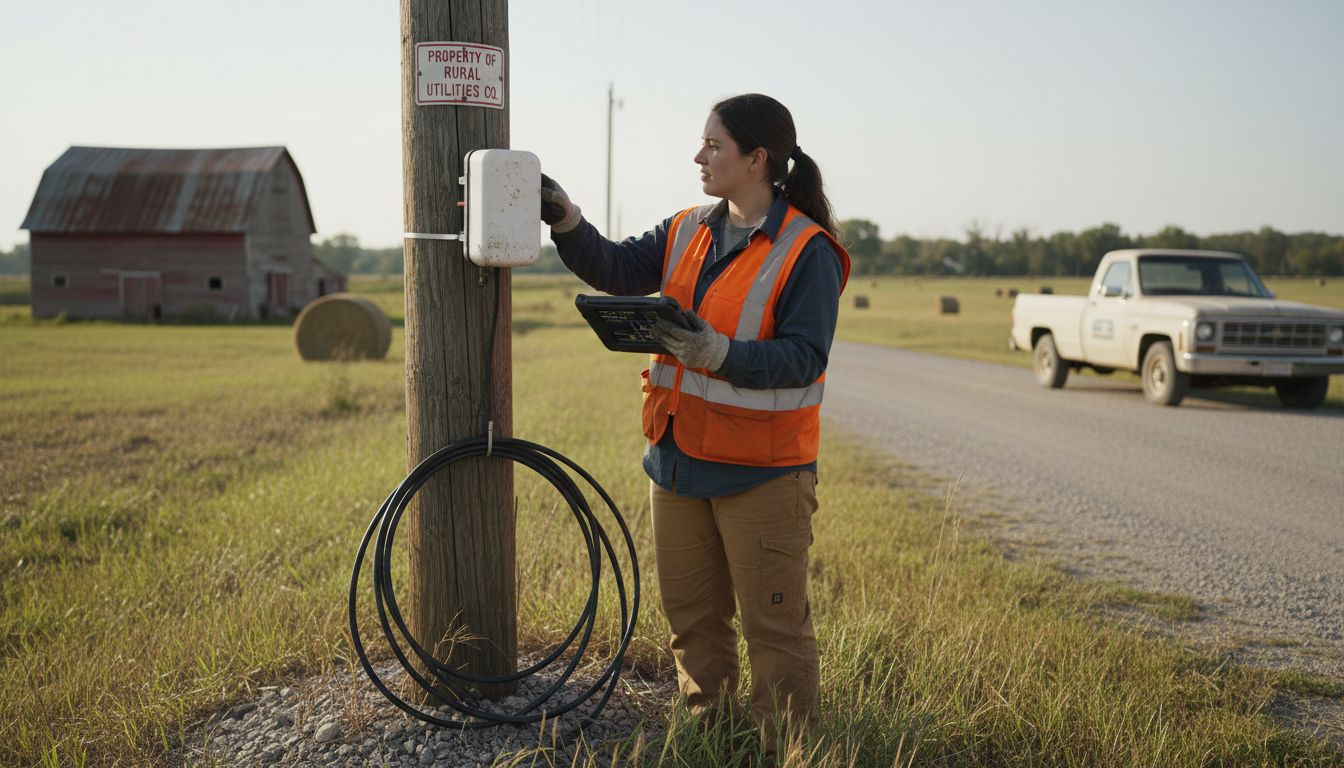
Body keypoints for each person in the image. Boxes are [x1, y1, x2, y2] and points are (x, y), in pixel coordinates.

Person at [540, 93, 850, 755]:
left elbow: (805, 357)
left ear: (756, 158)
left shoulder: (808, 251)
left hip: (762, 476)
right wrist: (567, 220)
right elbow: (619, 269)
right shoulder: (686, 228)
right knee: (693, 624)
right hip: (676, 463)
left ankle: (785, 752)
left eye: (713, 145)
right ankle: (714, 742)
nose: (698, 155)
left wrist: (722, 354)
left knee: (775, 633)